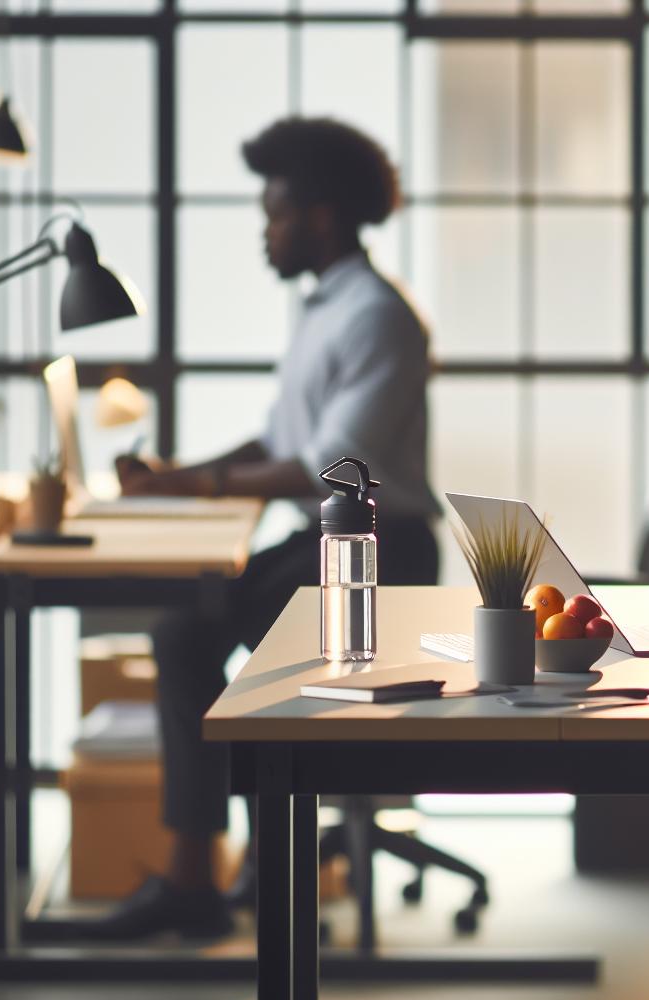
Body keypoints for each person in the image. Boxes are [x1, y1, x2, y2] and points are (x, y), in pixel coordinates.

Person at [82, 116, 441, 940]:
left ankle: (234, 868)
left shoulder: (378, 317)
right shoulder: (324, 309)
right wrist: (178, 478)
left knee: (190, 635)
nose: (264, 233)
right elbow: (280, 440)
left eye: (273, 213)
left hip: (377, 549)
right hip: (327, 540)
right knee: (182, 633)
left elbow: (330, 463)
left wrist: (200, 483)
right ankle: (212, 872)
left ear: (319, 218)